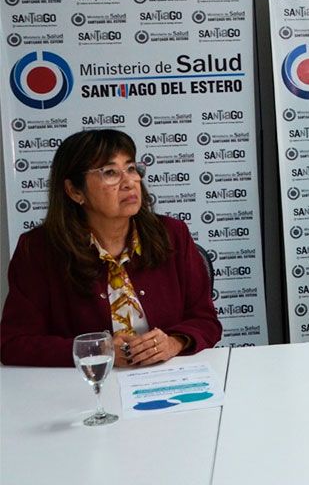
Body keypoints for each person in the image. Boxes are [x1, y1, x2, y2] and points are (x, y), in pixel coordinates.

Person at [1, 129, 221, 367]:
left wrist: (174, 342)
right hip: (87, 383)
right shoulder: (38, 250)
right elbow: (13, 344)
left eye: (131, 168)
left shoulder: (172, 234)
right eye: (110, 173)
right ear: (75, 191)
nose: (129, 182)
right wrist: (98, 350)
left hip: (165, 376)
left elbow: (205, 320)